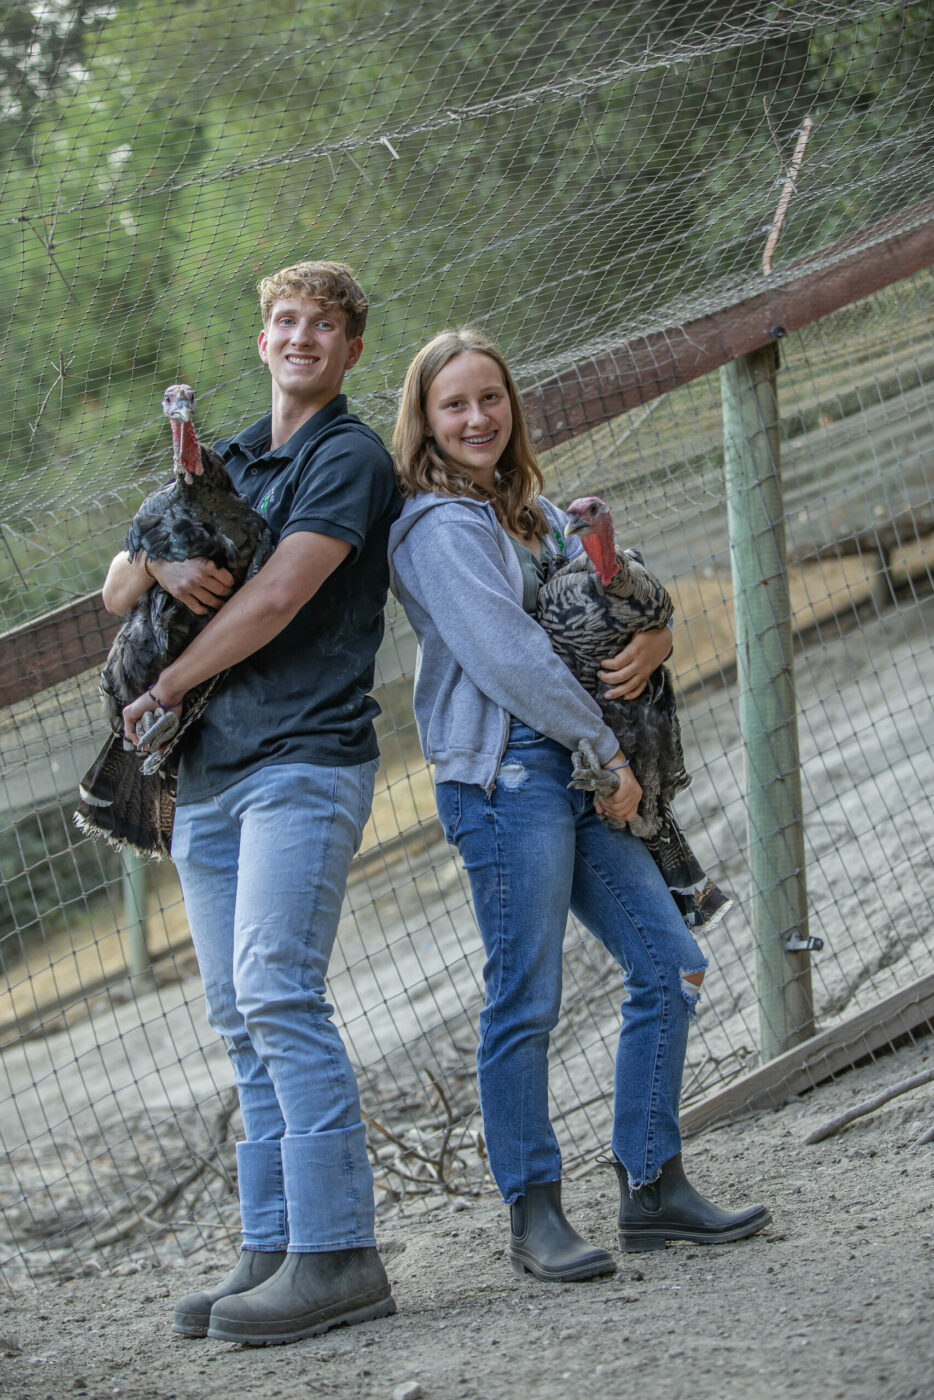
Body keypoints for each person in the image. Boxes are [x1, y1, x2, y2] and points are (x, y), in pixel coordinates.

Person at [387, 327, 771, 1281]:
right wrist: (603, 751)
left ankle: (652, 1186)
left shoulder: (538, 515)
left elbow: (617, 593)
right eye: (453, 404)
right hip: (507, 775)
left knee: (671, 963)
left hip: (573, 761)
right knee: (527, 995)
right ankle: (536, 1213)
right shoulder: (437, 528)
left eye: (491, 397)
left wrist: (660, 637)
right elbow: (512, 658)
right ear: (425, 421)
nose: (477, 417)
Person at [105, 261, 401, 1345]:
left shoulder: (348, 457)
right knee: (237, 1014)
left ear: (350, 349)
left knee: (278, 991)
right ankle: (272, 1245)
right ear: (263, 339)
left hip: (302, 757)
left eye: (324, 325)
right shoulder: (222, 458)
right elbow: (114, 587)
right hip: (212, 772)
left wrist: (169, 684)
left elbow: (278, 594)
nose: (301, 337)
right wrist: (158, 566)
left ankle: (340, 1252)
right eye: (285, 320)